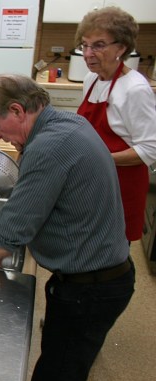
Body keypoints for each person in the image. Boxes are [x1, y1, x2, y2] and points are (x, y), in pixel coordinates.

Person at [0, 74, 135, 381]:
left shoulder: (49, 147)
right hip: (96, 275)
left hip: (90, 287)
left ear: (18, 112)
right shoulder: (65, 124)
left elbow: (12, 230)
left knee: (60, 378)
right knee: (54, 369)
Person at [75, 6, 156, 243]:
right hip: (93, 182)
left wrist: (102, 158)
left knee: (113, 251)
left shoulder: (135, 88)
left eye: (98, 45)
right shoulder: (91, 79)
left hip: (122, 187)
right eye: (84, 45)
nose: (88, 53)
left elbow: (150, 149)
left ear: (121, 47)